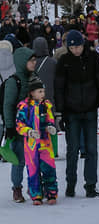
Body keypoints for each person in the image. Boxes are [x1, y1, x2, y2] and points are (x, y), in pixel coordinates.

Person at [54, 29, 99, 198]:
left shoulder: (94, 58)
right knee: (72, 149)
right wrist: (59, 113)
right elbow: (59, 89)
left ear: (83, 44)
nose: (76, 50)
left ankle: (91, 185)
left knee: (92, 149)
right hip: (71, 113)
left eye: (78, 46)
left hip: (91, 111)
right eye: (72, 48)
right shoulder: (64, 61)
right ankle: (70, 184)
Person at [15, 76, 58, 205]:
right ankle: (36, 195)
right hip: (31, 145)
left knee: (49, 168)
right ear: (32, 93)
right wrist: (28, 131)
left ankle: (51, 193)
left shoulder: (47, 105)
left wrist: (51, 127)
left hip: (45, 144)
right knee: (33, 170)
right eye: (40, 91)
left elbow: (50, 120)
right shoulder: (24, 107)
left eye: (43, 91)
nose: (42, 94)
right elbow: (19, 125)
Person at [3, 46, 37, 202]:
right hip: (18, 127)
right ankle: (17, 188)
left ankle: (34, 186)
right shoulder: (13, 81)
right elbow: (8, 105)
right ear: (23, 62)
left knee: (34, 158)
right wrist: (9, 127)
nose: (34, 63)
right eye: (31, 61)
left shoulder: (34, 78)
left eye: (35, 60)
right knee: (19, 160)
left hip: (34, 126)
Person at [32, 37, 58, 157]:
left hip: (34, 99)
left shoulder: (30, 63)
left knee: (35, 124)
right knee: (51, 124)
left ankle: (37, 148)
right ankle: (54, 149)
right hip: (50, 97)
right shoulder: (53, 62)